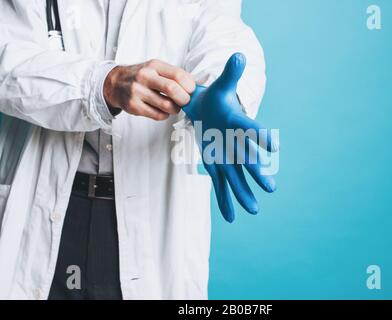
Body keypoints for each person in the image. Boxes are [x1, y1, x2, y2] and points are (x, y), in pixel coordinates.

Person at [0, 0, 266, 299]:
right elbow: (6, 60)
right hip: (45, 200)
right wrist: (103, 84)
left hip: (150, 214)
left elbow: (225, 35)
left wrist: (223, 95)